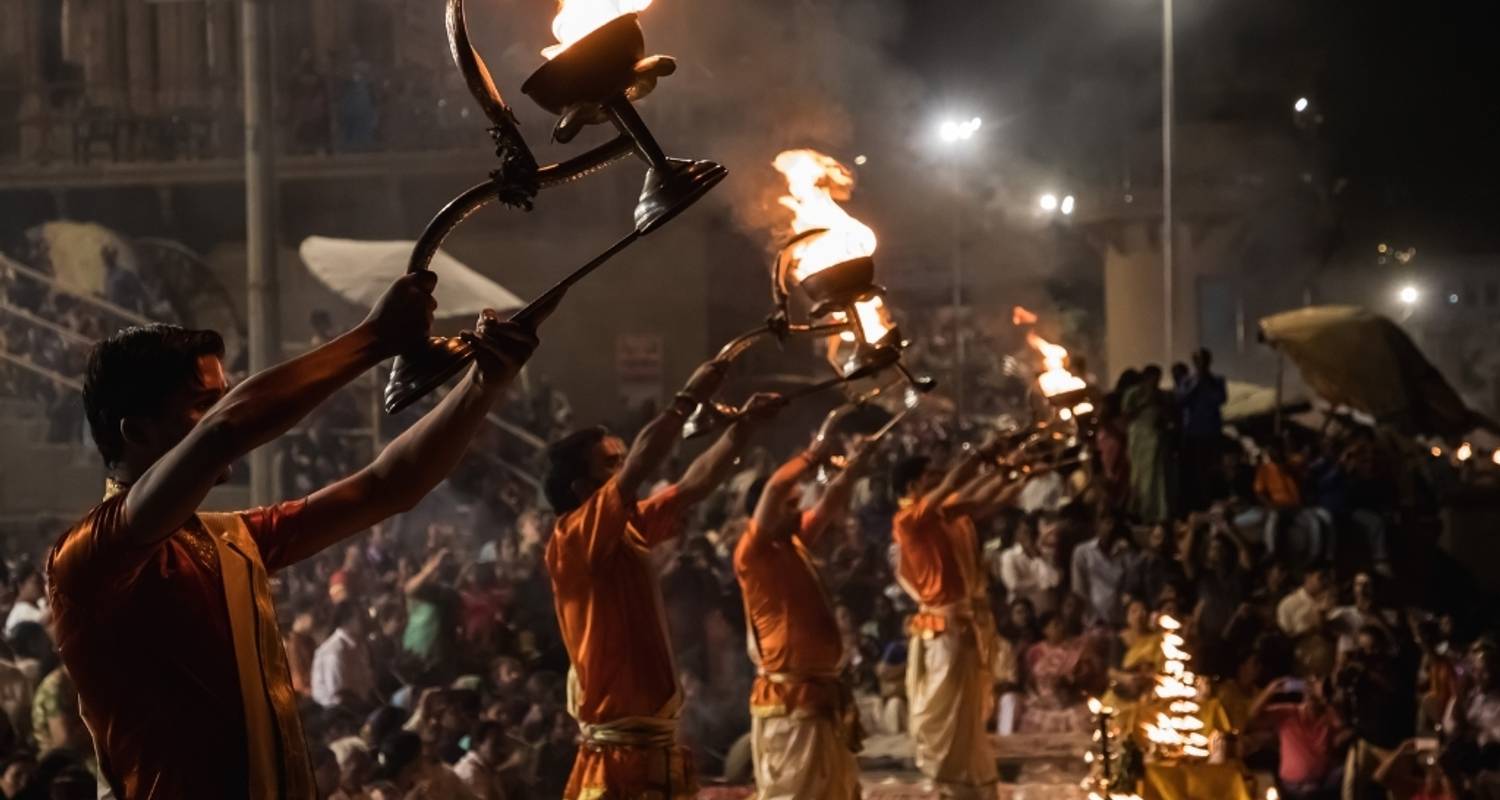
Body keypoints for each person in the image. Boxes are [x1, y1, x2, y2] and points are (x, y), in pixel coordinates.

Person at [47, 273, 537, 799]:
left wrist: (486, 383)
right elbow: (225, 431)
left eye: (224, 397)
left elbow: (384, 487)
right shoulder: (89, 557)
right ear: (136, 430)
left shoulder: (229, 539)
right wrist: (372, 338)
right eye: (201, 402)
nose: (223, 410)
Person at [542, 358, 780, 800]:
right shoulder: (574, 538)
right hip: (622, 750)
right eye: (609, 465)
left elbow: (694, 485)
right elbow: (641, 464)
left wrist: (743, 428)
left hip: (652, 741)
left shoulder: (627, 525)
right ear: (581, 490)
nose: (622, 469)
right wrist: (688, 397)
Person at [735, 410, 872, 800]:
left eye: (797, 504)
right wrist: (816, 448)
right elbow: (776, 489)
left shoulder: (792, 543)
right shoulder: (753, 552)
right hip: (789, 698)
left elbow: (829, 504)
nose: (797, 510)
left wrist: (856, 467)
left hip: (821, 692)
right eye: (790, 505)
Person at [890, 439, 1021, 799]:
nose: (940, 480)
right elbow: (955, 487)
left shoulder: (945, 516)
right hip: (942, 629)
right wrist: (982, 456)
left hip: (962, 625)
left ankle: (967, 787)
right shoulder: (909, 520)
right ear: (913, 487)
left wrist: (1013, 472)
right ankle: (946, 786)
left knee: (966, 715)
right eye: (930, 476)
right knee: (945, 715)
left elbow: (984, 499)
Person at [1250, 676, 1350, 800]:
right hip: (1293, 788)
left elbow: (1345, 724)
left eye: (1317, 695)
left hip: (1320, 785)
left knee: (1346, 770)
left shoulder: (1328, 717)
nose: (1313, 697)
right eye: (1310, 693)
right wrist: (1270, 690)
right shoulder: (1289, 713)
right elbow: (1253, 717)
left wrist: (1327, 697)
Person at [1177, 348, 1228, 512]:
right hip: (1192, 433)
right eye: (1198, 360)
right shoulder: (1187, 381)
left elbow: (1220, 399)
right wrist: (1197, 384)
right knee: (1194, 472)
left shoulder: (1217, 380)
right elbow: (1182, 399)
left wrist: (1206, 384)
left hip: (1211, 432)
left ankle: (1211, 500)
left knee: (1211, 469)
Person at [1070, 513, 1134, 627]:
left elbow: (1128, 585)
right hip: (1092, 620)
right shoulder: (1083, 551)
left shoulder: (1125, 553)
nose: (1110, 527)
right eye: (1107, 522)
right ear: (1098, 525)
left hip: (1118, 619)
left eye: (1113, 523)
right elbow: (1079, 589)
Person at [311, 601, 378, 709]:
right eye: (361, 617)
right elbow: (340, 696)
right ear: (347, 622)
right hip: (340, 714)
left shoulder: (360, 645)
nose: (366, 620)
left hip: (361, 706)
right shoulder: (335, 651)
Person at [997, 513, 1061, 615]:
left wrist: (1039, 557)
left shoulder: (1046, 554)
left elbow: (1056, 580)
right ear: (1017, 534)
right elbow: (1013, 585)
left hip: (1048, 610)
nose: (1030, 536)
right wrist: (1042, 583)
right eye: (1025, 532)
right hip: (1025, 614)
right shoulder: (1009, 556)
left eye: (1033, 532)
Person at [453, 721, 513, 800]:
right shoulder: (469, 773)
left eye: (502, 743)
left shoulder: (486, 768)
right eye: (495, 744)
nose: (502, 749)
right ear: (477, 744)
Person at [1278, 562, 1335, 639]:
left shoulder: (1333, 602)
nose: (1325, 582)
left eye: (1328, 578)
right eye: (1321, 577)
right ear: (1308, 577)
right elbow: (1284, 638)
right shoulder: (1288, 604)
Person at [2, 566, 45, 637]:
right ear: (21, 585)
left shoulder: (40, 603)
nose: (41, 585)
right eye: (36, 582)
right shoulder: (19, 614)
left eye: (41, 581)